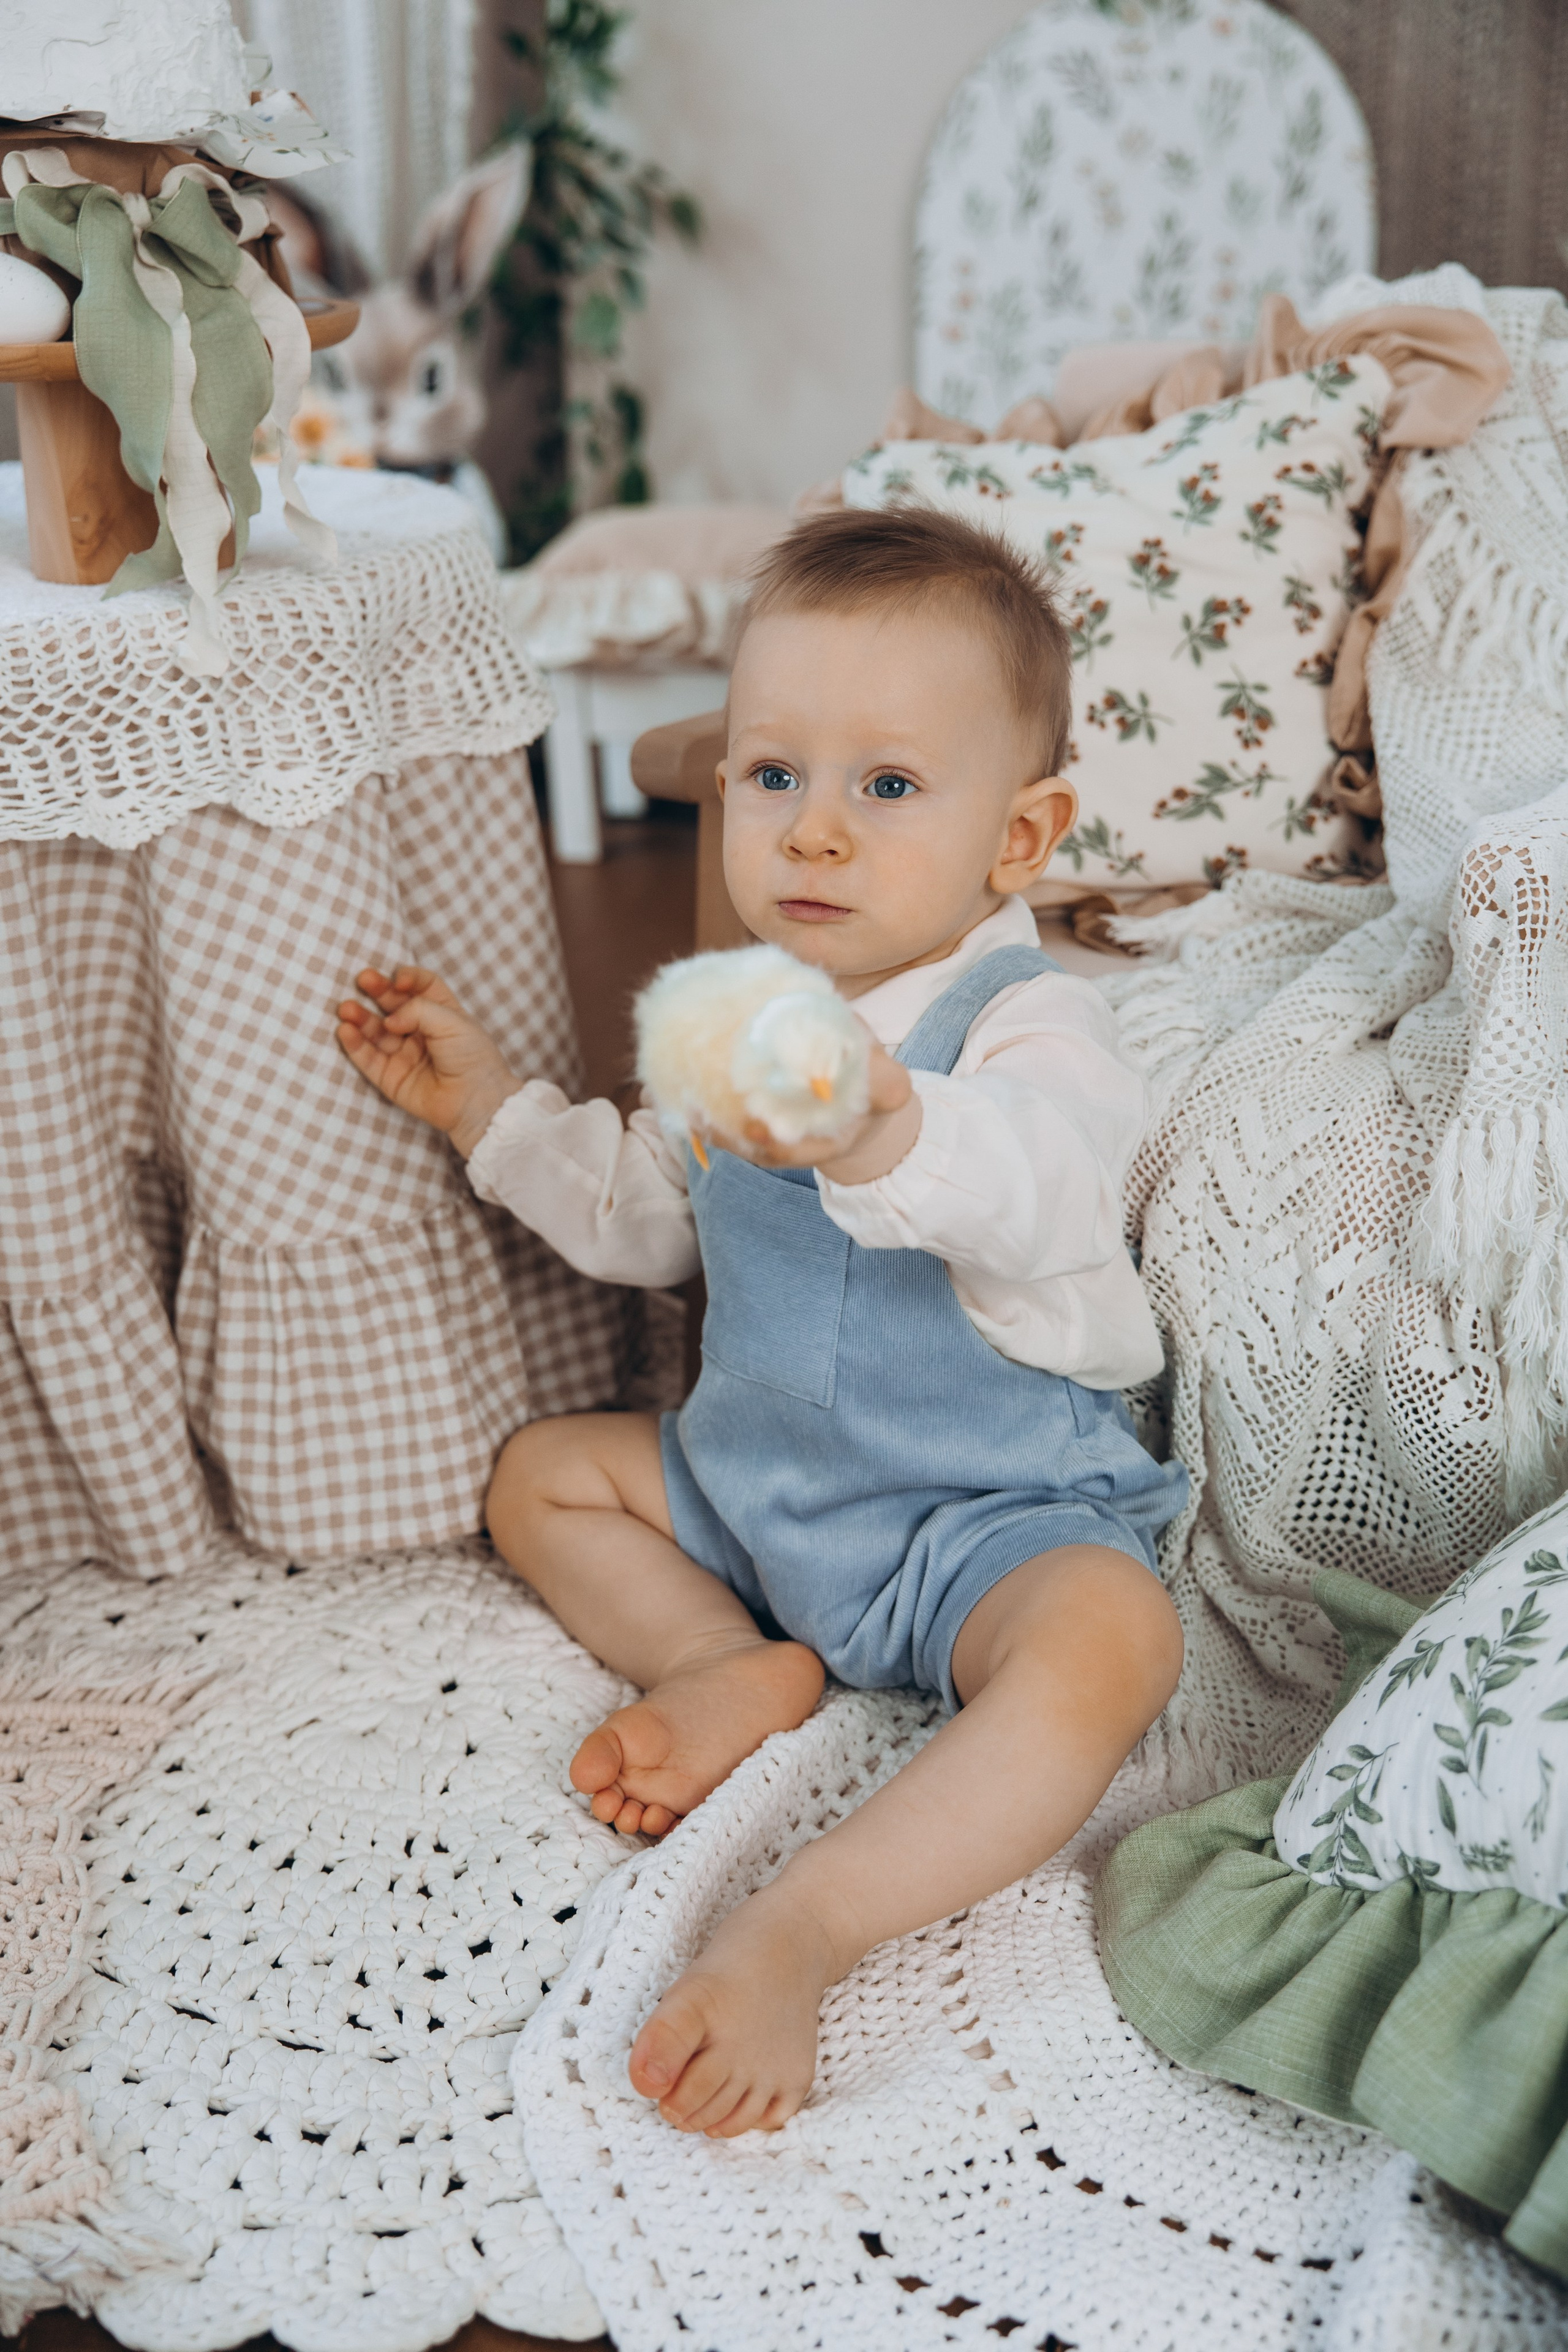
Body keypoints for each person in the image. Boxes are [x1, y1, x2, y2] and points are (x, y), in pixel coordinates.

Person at [335, 505, 1188, 2141]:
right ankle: (728, 1661)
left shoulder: (1028, 1022)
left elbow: (1050, 1189)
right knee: (545, 1475)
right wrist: (493, 1109)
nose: (812, 834)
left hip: (983, 1521)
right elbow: (651, 1218)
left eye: (885, 787)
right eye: (774, 775)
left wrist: (883, 1130)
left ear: (1018, 841)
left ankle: (806, 1921)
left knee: (1113, 1646)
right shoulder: (730, 1030)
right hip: (760, 1494)